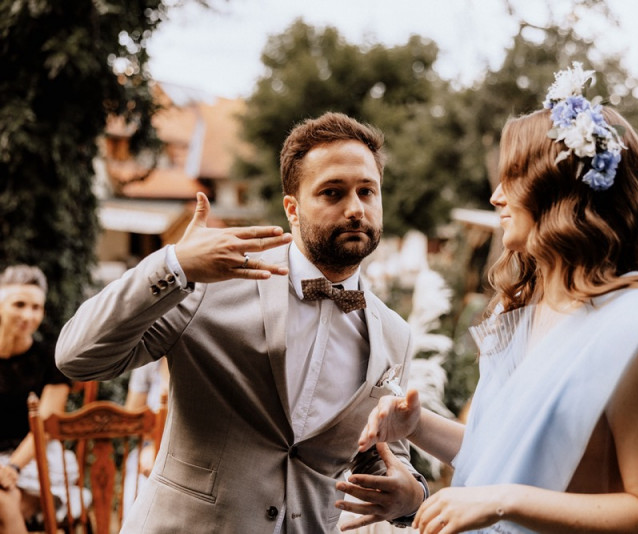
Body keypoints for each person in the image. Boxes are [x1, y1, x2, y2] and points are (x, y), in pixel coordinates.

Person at [347, 63, 638, 534]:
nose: (497, 196)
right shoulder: (523, 312)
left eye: (515, 178)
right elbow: (508, 455)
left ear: (562, 193)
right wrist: (420, 426)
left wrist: (503, 501)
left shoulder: (636, 329)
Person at [56, 112, 427, 533]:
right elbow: (77, 358)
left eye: (367, 191)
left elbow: (383, 453)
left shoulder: (395, 335)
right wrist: (174, 265)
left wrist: (411, 496)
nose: (355, 209)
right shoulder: (208, 283)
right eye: (332, 192)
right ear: (293, 209)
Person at [0, 265, 77, 532]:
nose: (28, 315)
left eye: (36, 307)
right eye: (19, 304)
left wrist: (11, 468)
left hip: (34, 461)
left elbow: (43, 428)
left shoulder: (50, 360)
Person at [122, 357, 169, 513]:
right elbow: (131, 418)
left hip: (184, 450)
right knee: (138, 477)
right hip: (147, 447)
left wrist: (159, 447)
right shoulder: (149, 363)